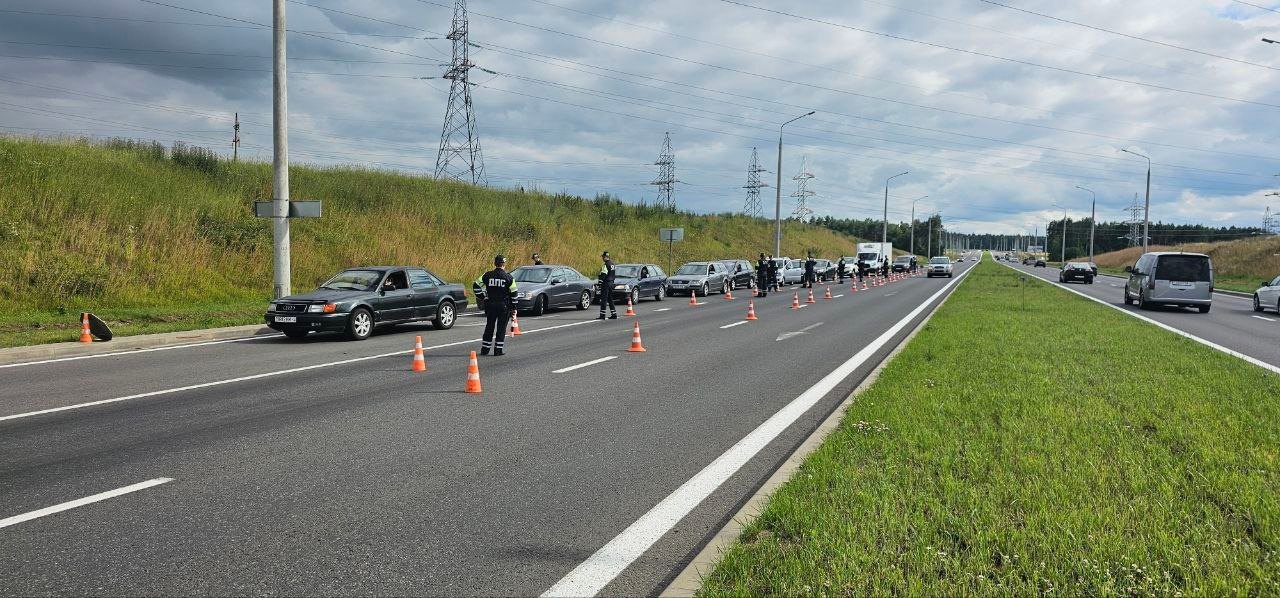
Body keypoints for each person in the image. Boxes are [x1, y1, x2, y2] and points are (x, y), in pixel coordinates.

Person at [475, 255, 517, 356]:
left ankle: (485, 349)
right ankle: (498, 350)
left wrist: (483, 297)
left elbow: (476, 285)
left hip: (491, 305)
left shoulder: (487, 275)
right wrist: (514, 308)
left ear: (495, 264)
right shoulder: (509, 277)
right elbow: (514, 294)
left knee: (489, 326)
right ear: (504, 264)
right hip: (504, 306)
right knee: (501, 328)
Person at [598, 250, 618, 320]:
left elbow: (603, 274)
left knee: (604, 299)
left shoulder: (606, 265)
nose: (602, 258)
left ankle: (602, 315)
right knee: (610, 299)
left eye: (603, 257)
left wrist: (600, 282)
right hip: (611, 283)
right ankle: (614, 314)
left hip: (606, 283)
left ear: (606, 257)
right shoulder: (612, 264)